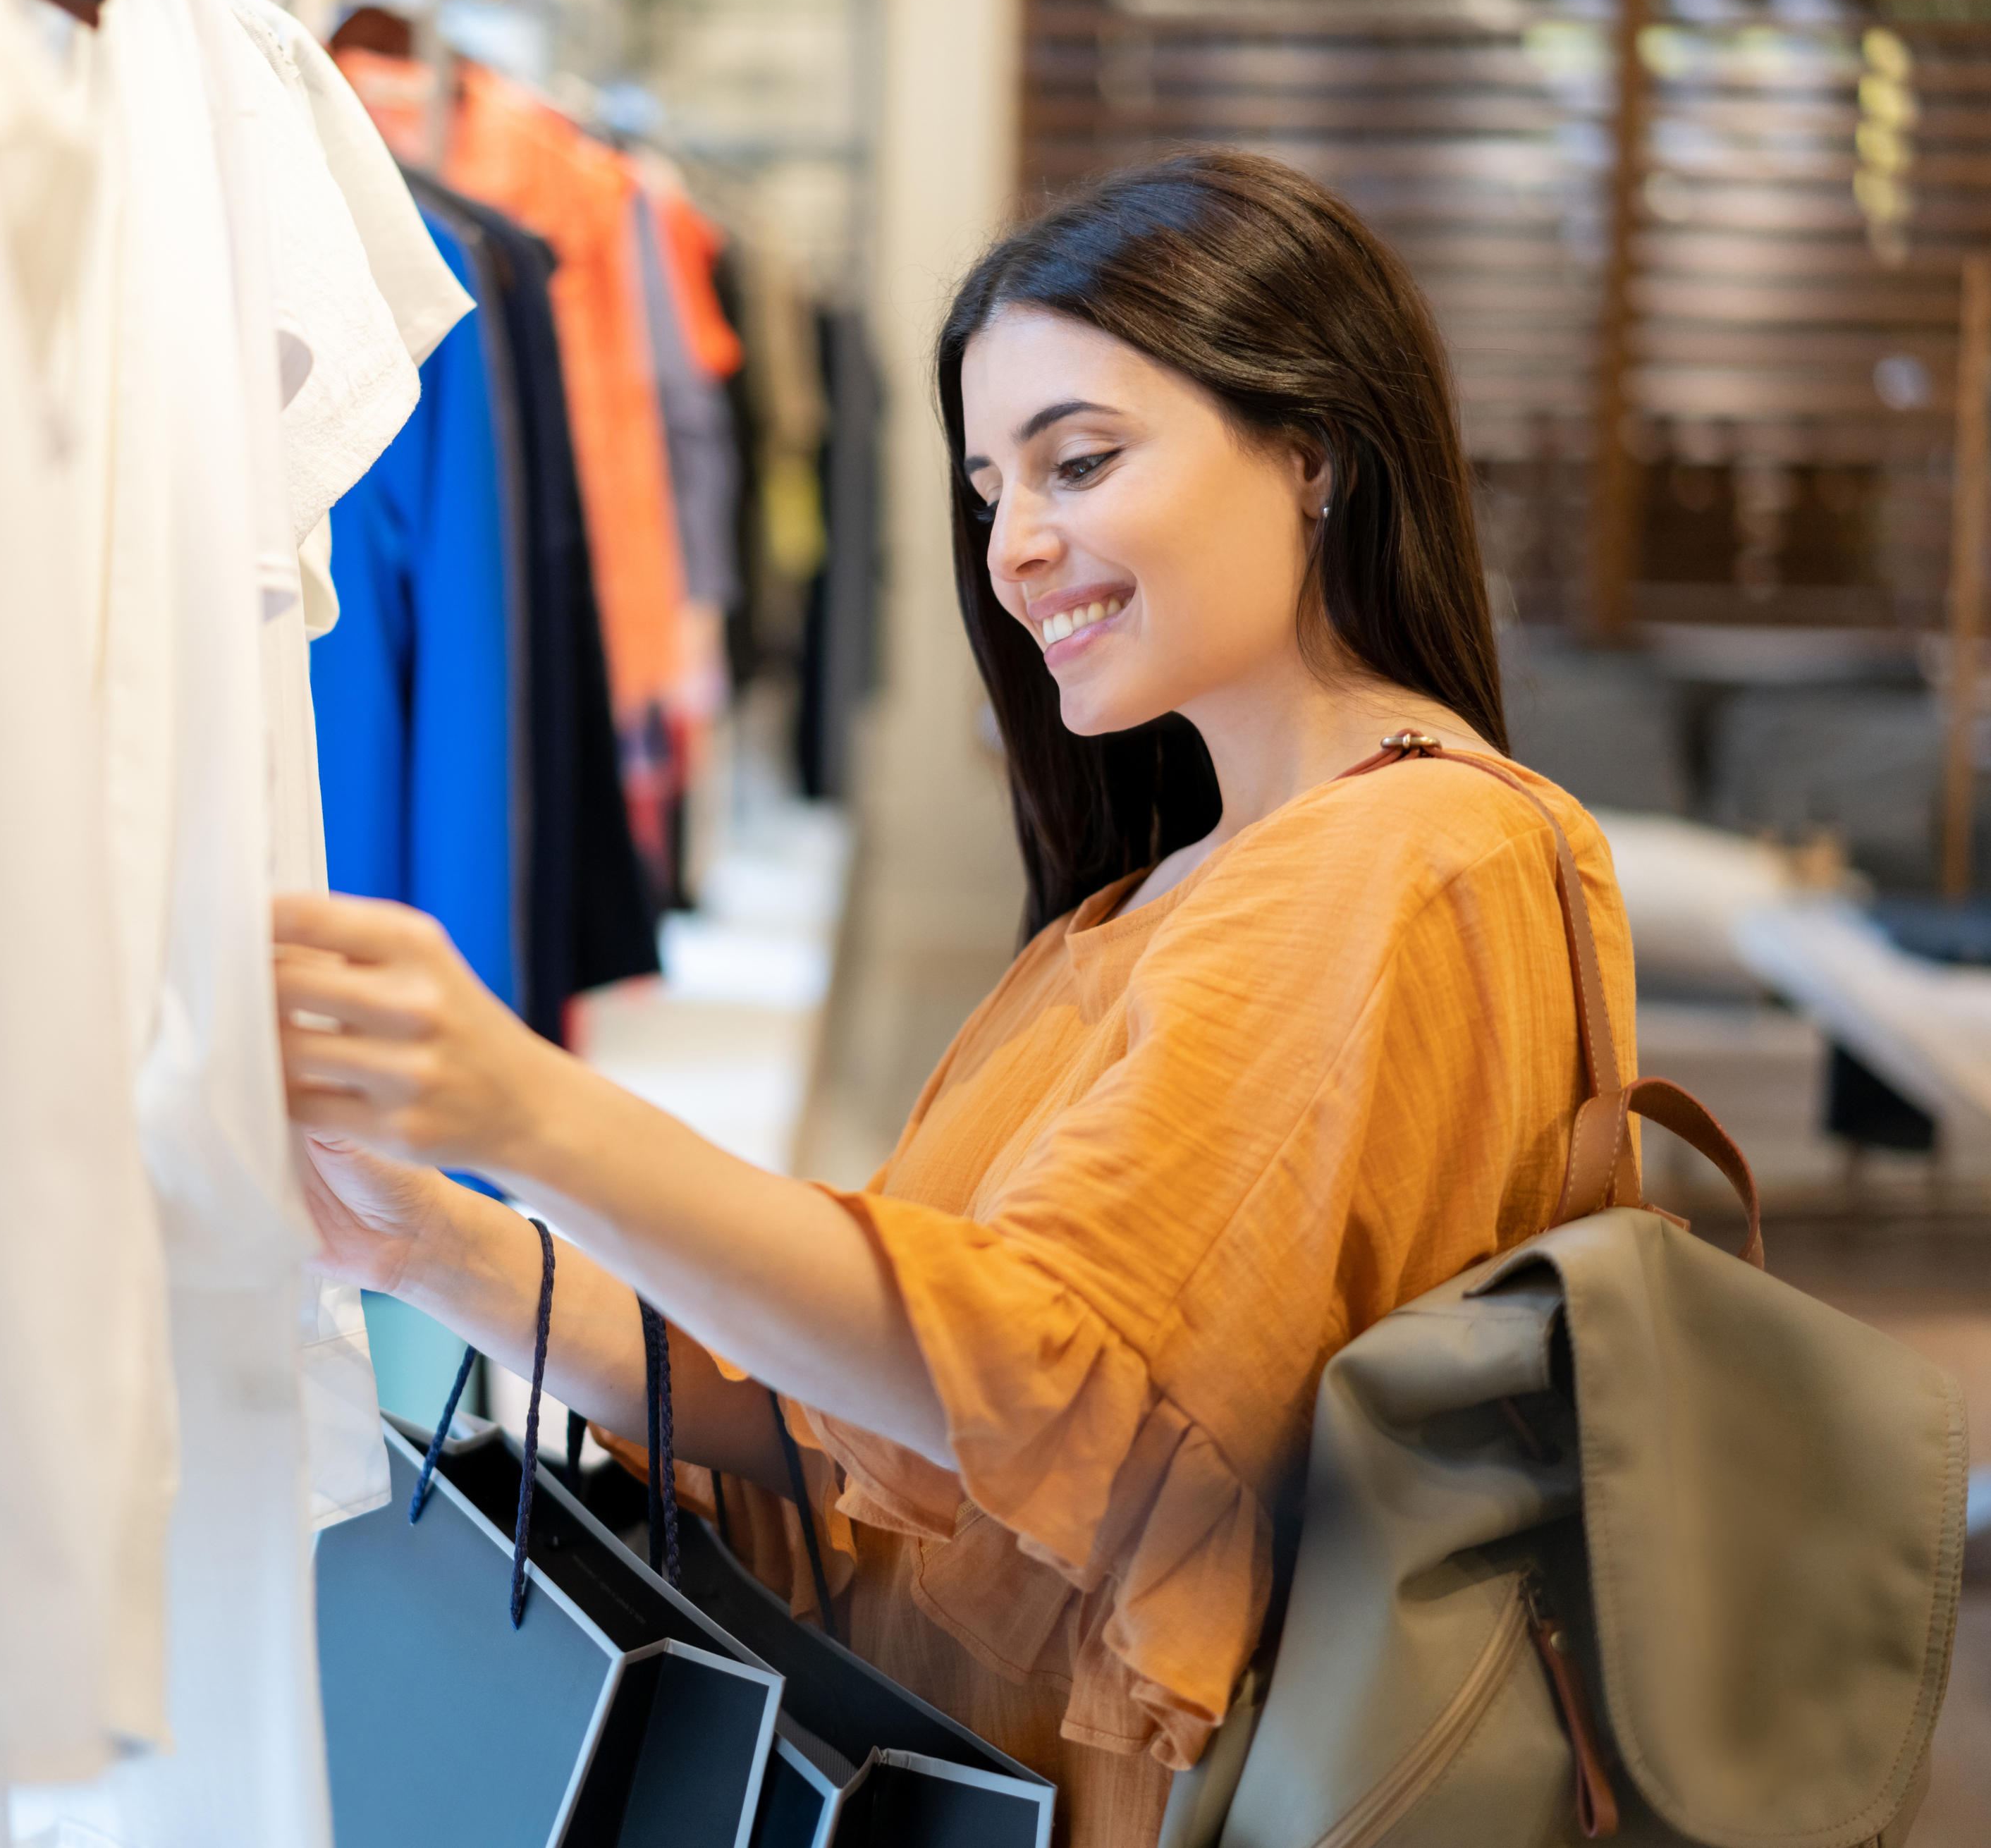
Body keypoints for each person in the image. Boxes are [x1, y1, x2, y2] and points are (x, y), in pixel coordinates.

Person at [273, 150, 1636, 1844]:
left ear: (1314, 451)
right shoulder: (1151, 900)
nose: (1017, 546)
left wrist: (528, 1112)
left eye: (1080, 460)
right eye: (990, 487)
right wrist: (427, 1239)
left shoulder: (1416, 853)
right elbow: (855, 1416)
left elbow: (1028, 1369)